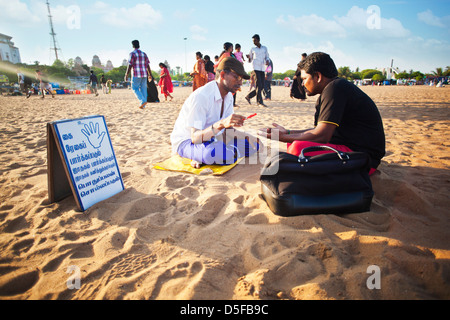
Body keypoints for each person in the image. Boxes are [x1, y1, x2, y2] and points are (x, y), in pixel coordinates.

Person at [260, 52, 385, 175]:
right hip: (348, 148)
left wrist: (281, 137)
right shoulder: (332, 88)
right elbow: (319, 130)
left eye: (304, 79)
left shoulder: (335, 88)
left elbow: (322, 136)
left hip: (362, 157)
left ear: (318, 76)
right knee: (293, 143)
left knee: (297, 148)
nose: (302, 84)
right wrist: (287, 133)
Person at [170, 57, 261, 169]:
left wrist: (248, 136)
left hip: (213, 139)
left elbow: (227, 131)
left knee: (253, 145)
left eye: (241, 79)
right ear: (222, 75)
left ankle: (218, 154)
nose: (240, 82)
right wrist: (221, 124)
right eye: (236, 77)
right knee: (214, 153)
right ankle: (211, 153)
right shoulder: (202, 97)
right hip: (188, 141)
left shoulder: (228, 97)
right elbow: (195, 138)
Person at [124, 40, 152, 109]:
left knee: (134, 88)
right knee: (143, 89)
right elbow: (148, 65)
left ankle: (142, 101)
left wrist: (126, 74)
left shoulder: (132, 54)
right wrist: (150, 74)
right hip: (144, 74)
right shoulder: (144, 54)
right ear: (139, 45)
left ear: (133, 46)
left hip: (136, 74)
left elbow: (130, 65)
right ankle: (143, 105)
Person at [245, 34, 270, 107]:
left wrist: (267, 61)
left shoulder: (264, 48)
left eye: (255, 40)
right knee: (259, 85)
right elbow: (250, 60)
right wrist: (249, 57)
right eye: (253, 41)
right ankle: (259, 102)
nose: (254, 42)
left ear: (258, 40)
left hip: (262, 68)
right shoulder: (253, 49)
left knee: (261, 86)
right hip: (255, 68)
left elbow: (267, 57)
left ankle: (249, 96)